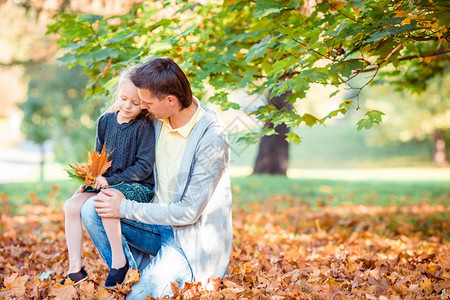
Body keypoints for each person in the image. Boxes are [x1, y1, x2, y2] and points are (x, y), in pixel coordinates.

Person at [80, 57, 233, 299]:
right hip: (153, 224)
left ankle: (152, 277)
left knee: (143, 294)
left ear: (170, 101)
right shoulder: (156, 120)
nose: (142, 106)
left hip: (188, 241)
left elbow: (188, 212)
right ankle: (132, 270)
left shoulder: (211, 138)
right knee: (92, 209)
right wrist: (97, 182)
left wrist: (125, 207)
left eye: (147, 102)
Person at [61, 66, 155, 289]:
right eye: (123, 98)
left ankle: (119, 262)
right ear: (118, 93)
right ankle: (75, 269)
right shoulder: (105, 121)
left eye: (135, 102)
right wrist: (89, 182)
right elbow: (98, 159)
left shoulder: (144, 127)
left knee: (106, 200)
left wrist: (109, 182)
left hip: (137, 185)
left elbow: (143, 168)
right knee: (72, 205)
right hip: (105, 184)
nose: (127, 106)